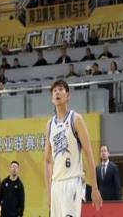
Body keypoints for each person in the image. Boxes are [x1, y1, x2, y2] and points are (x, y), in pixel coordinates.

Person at [44, 79, 102, 216]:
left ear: (68, 95)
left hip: (72, 182)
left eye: (60, 89)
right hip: (56, 185)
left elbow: (88, 153)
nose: (57, 92)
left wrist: (94, 187)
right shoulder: (50, 124)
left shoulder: (76, 119)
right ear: (52, 98)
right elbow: (47, 160)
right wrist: (49, 191)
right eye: (54, 91)